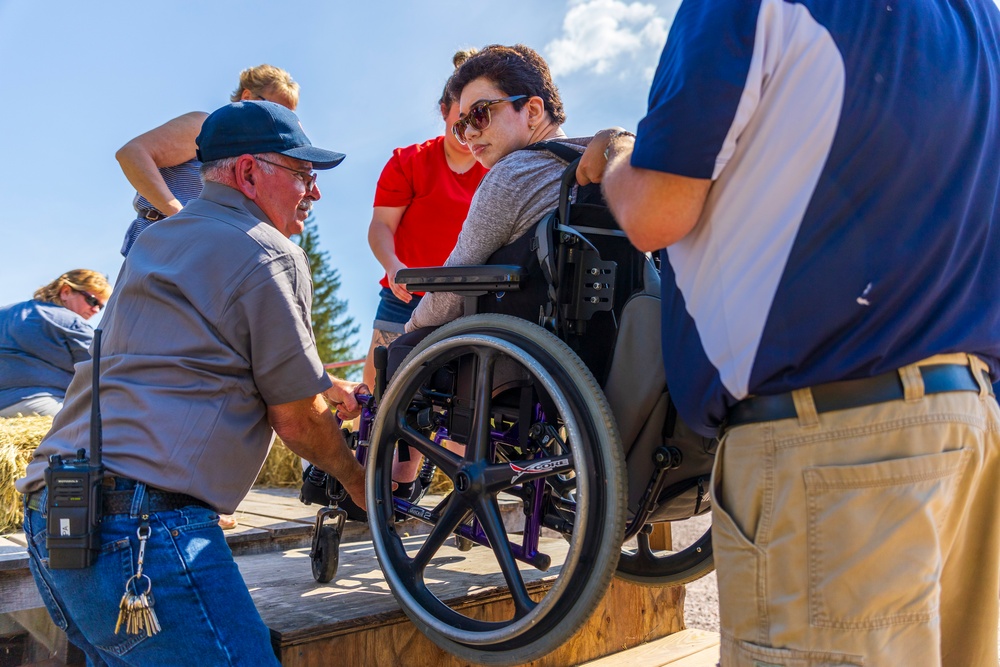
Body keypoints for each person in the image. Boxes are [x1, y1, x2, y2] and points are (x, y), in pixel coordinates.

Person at [589, 1, 1000, 665]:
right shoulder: (979, 19)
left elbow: (656, 210)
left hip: (832, 438)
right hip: (967, 419)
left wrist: (613, 158)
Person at [17, 100, 366, 666]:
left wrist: (324, 383)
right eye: (303, 174)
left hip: (56, 515)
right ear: (250, 172)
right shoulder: (272, 253)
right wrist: (357, 481)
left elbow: (196, 351)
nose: (314, 192)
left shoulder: (157, 240)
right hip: (141, 535)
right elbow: (296, 420)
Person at [405, 44, 591, 333]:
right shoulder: (604, 164)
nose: (468, 134)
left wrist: (410, 329)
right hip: (600, 350)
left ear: (532, 110)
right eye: (461, 124)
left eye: (480, 114)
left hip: (518, 357)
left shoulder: (513, 174)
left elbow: (454, 284)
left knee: (402, 349)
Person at [362, 48, 487, 391]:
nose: (467, 131)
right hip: (405, 295)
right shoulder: (408, 162)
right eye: (458, 120)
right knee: (382, 395)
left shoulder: (496, 171)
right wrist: (393, 266)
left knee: (457, 406)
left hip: (465, 304)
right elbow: (381, 226)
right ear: (444, 111)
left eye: (476, 119)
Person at [116, 64, 299, 256]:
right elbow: (132, 154)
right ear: (247, 97)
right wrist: (179, 214)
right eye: (275, 108)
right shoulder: (204, 127)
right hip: (160, 245)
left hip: (201, 254)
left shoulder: (251, 159)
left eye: (289, 116)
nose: (282, 121)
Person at [0, 270, 111, 418]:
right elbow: (102, 370)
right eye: (92, 300)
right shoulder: (71, 321)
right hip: (43, 406)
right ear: (66, 291)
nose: (96, 309)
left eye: (101, 306)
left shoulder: (4, 313)